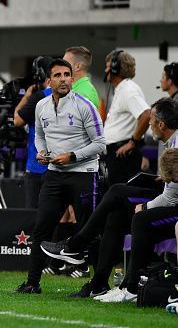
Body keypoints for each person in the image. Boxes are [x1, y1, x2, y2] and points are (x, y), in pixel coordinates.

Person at [40, 97, 178, 298]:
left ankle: (127, 283)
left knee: (121, 197)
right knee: (115, 215)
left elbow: (171, 198)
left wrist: (146, 207)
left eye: (151, 121)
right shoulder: (171, 141)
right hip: (169, 198)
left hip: (172, 204)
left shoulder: (175, 144)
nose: (149, 124)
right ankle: (99, 283)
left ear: (161, 124)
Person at [16, 59, 106, 294]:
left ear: (72, 78)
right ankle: (32, 283)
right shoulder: (41, 106)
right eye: (58, 75)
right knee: (40, 229)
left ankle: (98, 285)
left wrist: (73, 156)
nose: (64, 78)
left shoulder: (85, 106)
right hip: (54, 175)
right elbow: (39, 136)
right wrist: (42, 152)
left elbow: (101, 144)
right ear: (49, 80)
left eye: (67, 74)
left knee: (90, 231)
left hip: (84, 174)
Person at [103, 50, 150, 186]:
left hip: (123, 155)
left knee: (121, 198)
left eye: (107, 66)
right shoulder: (122, 89)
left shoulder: (128, 90)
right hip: (117, 154)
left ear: (115, 68)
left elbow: (146, 115)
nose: (105, 70)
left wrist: (132, 142)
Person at [14, 55, 52, 208]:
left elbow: (17, 120)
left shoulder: (38, 97)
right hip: (60, 166)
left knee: (34, 217)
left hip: (38, 168)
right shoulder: (68, 97)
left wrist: (26, 97)